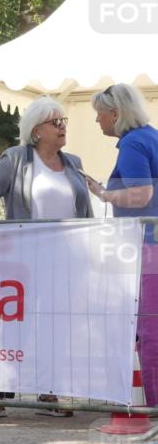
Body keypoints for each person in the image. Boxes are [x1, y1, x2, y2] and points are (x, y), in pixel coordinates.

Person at [0, 96, 93, 419]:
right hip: (22, 261)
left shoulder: (73, 163)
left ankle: (49, 394)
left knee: (55, 327)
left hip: (63, 261)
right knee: (12, 327)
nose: (62, 127)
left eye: (64, 121)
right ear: (36, 131)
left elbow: (85, 211)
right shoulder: (17, 159)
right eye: (55, 122)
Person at [87, 83, 158, 407]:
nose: (97, 121)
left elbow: (141, 194)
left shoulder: (132, 143)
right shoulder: (150, 136)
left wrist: (105, 195)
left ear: (115, 113)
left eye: (99, 114)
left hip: (147, 247)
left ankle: (154, 405)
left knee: (149, 328)